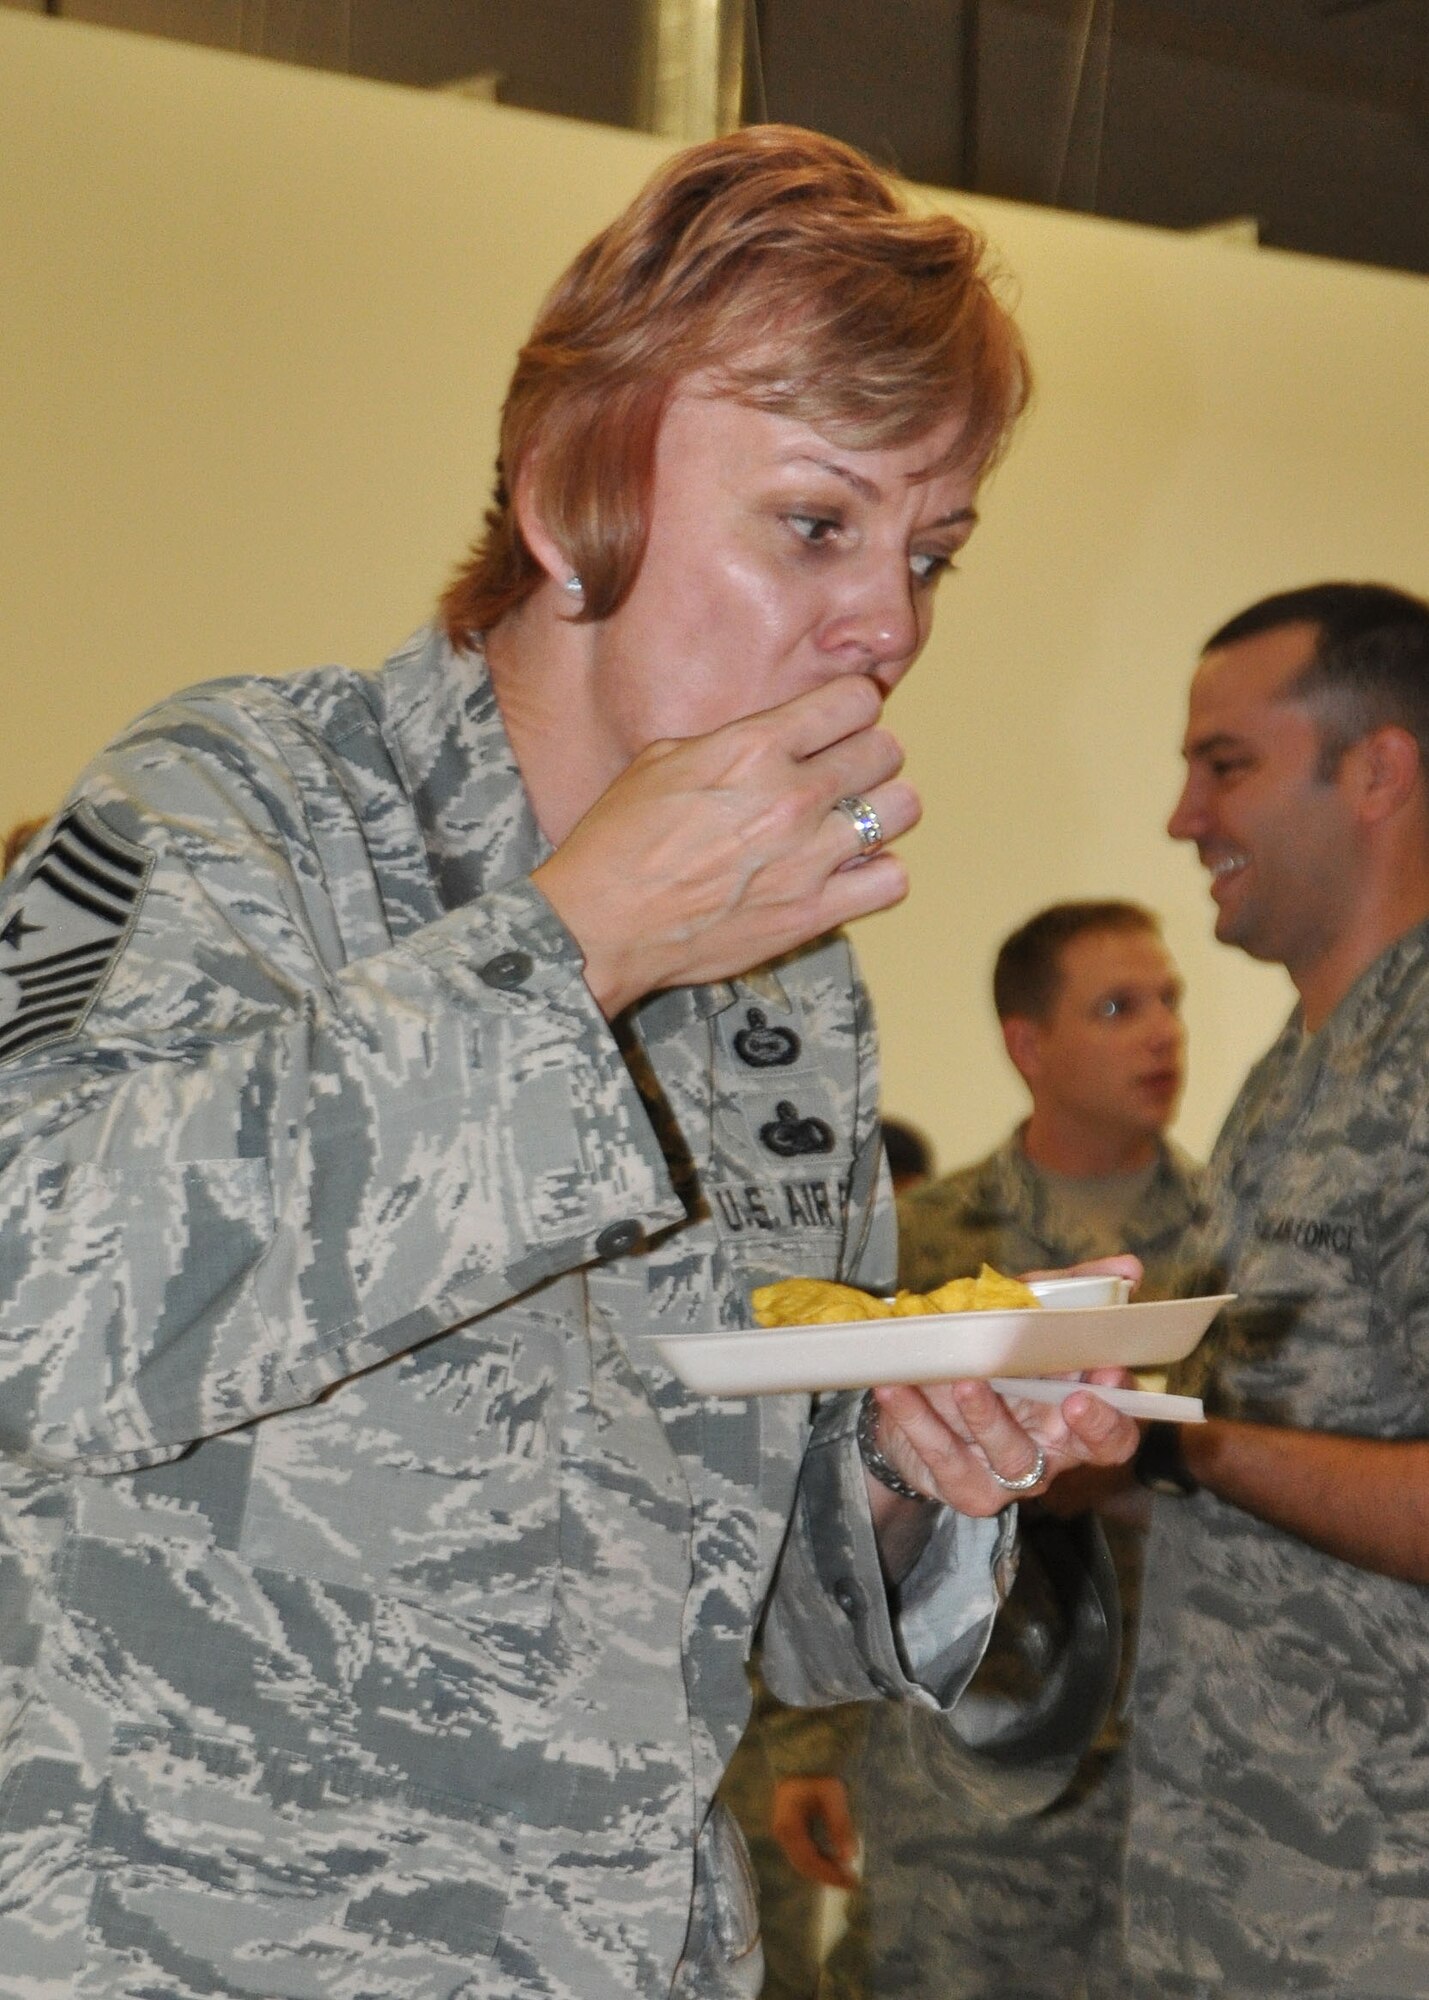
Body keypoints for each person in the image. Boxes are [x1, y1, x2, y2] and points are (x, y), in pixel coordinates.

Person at [0, 127, 1140, 2000]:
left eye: (926, 551)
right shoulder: (239, 812)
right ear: (566, 491)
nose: (886, 620)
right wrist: (570, 949)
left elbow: (757, 1593)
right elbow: (36, 1298)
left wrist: (913, 1454)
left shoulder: (780, 988)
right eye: (813, 522)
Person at [752, 902, 1202, 1999]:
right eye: (1115, 1006)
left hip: (1196, 1773)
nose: (1161, 1034)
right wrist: (806, 1741)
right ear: (1027, 1044)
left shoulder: (1233, 1237)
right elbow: (819, 1493)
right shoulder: (935, 1247)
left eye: (1169, 1001)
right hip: (969, 1782)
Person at [1123, 581, 1429, 1999]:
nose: (1184, 816)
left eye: (1224, 765)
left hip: (1381, 1906)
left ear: (1377, 770)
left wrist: (1178, 1441)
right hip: (1227, 1887)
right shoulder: (1291, 1071)